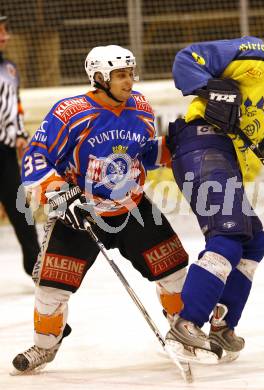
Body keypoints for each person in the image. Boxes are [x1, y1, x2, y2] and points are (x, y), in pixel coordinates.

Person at [11, 45, 189, 374]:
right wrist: (59, 193)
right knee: (51, 287)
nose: (129, 81)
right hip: (80, 211)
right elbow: (35, 156)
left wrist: (177, 145)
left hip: (132, 207)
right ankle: (44, 346)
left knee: (175, 270)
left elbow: (145, 154)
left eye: (130, 73)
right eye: (120, 75)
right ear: (99, 78)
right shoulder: (70, 112)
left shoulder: (142, 107)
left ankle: (183, 331)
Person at [165, 9, 264, 363]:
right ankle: (186, 323)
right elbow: (188, 58)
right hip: (200, 141)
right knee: (229, 232)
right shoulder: (250, 51)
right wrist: (211, 89)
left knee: (253, 240)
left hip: (227, 157)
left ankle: (221, 323)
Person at [0, 13, 40, 276]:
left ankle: (36, 264)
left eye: (5, 30)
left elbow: (16, 106)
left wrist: (21, 134)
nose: (5, 36)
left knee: (19, 208)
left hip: (3, 151)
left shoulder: (9, 69)